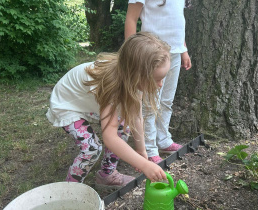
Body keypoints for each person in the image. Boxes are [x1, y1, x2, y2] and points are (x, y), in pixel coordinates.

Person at [46, 32, 169, 188]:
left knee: (124, 124)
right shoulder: (112, 86)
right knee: (92, 148)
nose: (160, 84)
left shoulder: (132, 79)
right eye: (157, 79)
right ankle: (70, 190)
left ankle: (107, 174)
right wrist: (145, 166)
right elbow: (109, 137)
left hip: (88, 102)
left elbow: (136, 116)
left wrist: (141, 152)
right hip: (66, 104)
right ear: (136, 75)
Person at [125, 0, 192, 164]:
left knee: (166, 101)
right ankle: (149, 148)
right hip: (151, 56)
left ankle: (163, 140)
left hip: (174, 53)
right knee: (149, 104)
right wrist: (132, 54)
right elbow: (131, 19)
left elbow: (177, 21)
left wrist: (184, 50)